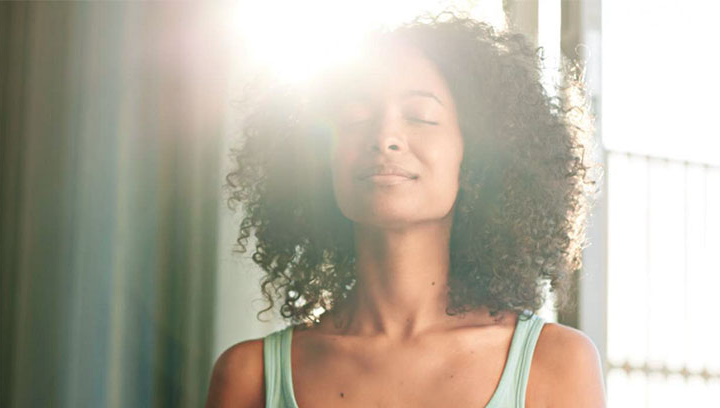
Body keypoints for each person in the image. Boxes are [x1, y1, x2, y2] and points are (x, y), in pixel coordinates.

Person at [206, 12, 605, 408]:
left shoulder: (554, 364)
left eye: (420, 117)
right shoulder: (249, 376)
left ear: (476, 160)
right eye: (355, 117)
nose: (384, 138)